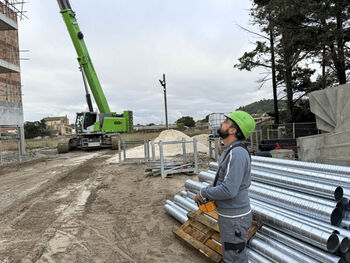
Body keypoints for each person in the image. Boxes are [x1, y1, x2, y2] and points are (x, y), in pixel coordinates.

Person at [195, 110, 255, 263]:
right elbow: (228, 182)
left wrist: (204, 192)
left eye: (226, 122)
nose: (222, 123)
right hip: (231, 216)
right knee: (232, 255)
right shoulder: (231, 151)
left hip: (235, 218)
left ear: (233, 130)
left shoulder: (237, 153)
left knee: (234, 258)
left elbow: (229, 190)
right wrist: (214, 186)